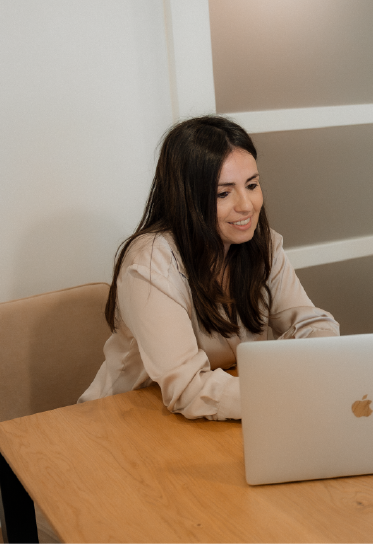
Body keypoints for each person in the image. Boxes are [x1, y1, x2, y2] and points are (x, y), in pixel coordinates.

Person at [79, 116, 339, 420]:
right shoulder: (150, 263)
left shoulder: (260, 243)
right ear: (187, 199)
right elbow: (187, 389)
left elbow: (309, 323)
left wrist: (326, 367)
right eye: (223, 193)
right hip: (128, 418)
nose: (247, 205)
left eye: (252, 185)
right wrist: (286, 396)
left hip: (216, 412)